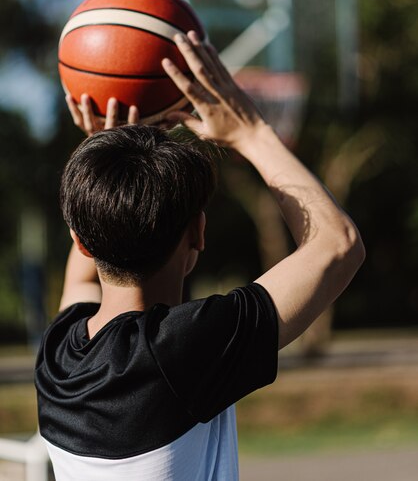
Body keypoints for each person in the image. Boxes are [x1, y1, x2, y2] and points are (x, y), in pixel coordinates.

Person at [35, 31, 365, 481]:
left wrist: (108, 161)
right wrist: (250, 132)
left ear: (81, 242)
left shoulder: (58, 355)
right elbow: (338, 245)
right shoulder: (182, 351)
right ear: (199, 233)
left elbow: (82, 281)